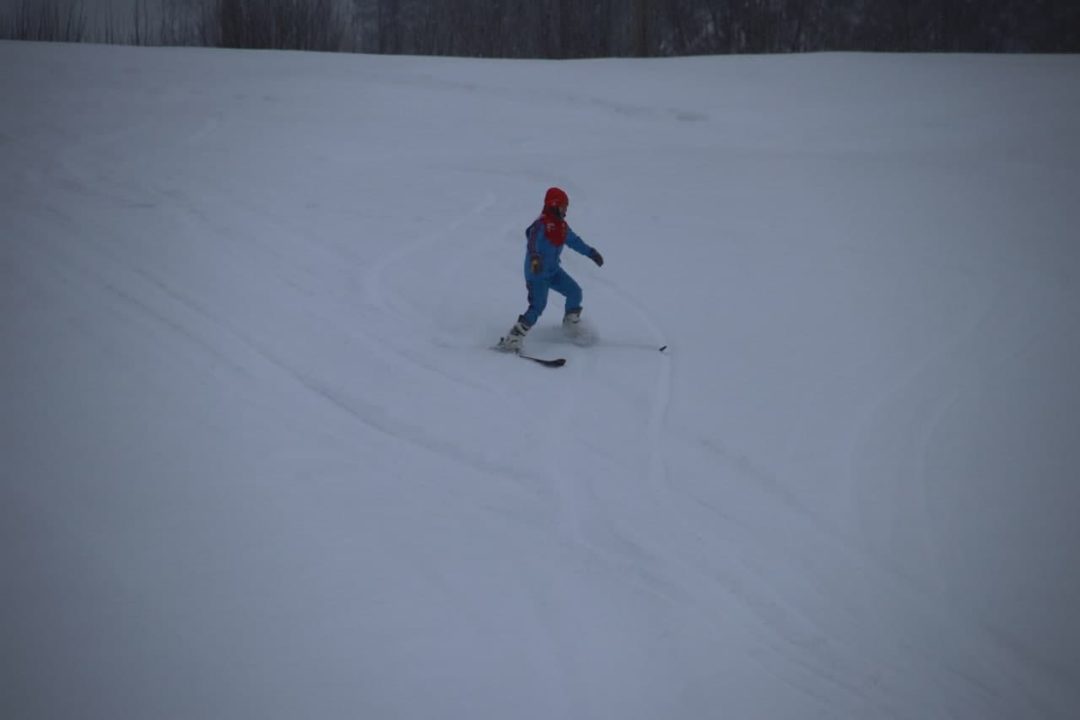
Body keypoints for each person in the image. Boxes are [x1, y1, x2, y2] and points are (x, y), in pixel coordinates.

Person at [497, 187, 604, 352]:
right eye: (563, 206)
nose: (565, 210)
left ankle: (570, 326)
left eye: (566, 207)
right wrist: (534, 257)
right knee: (538, 306)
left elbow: (575, 241)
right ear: (553, 205)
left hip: (553, 271)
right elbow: (533, 242)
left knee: (575, 292)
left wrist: (591, 252)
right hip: (537, 273)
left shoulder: (562, 227)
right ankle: (513, 338)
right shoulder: (541, 225)